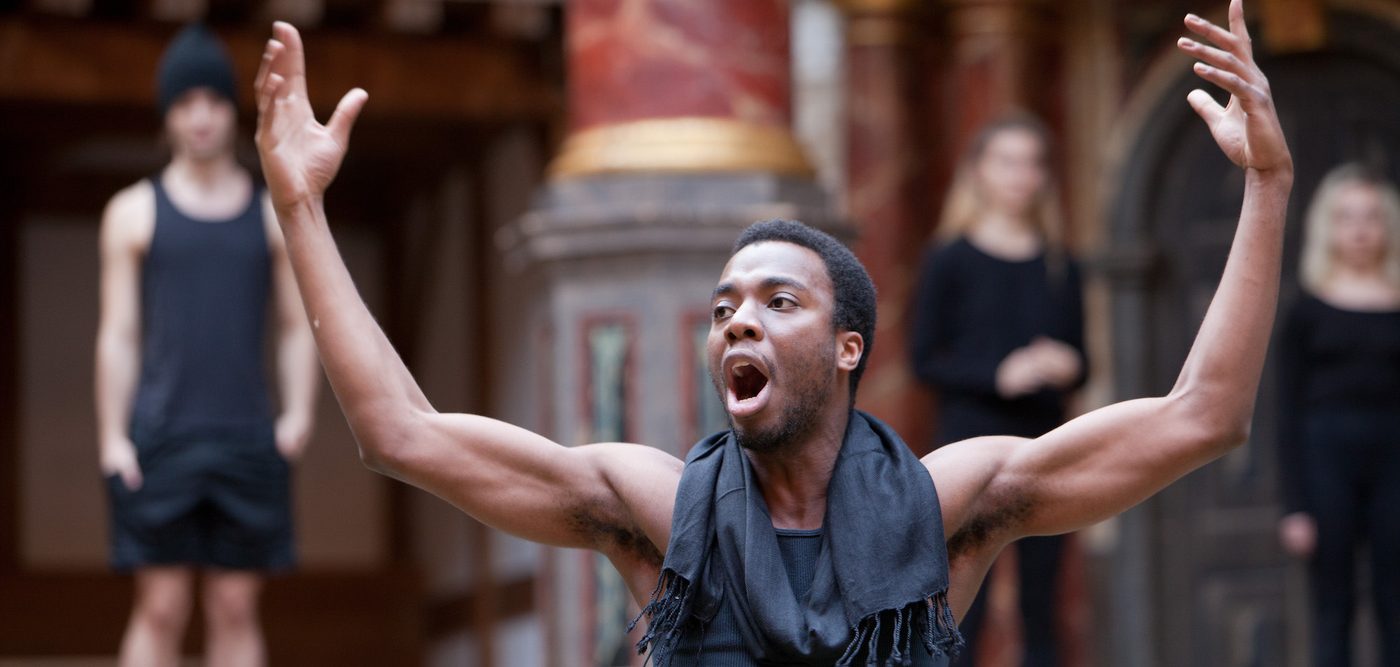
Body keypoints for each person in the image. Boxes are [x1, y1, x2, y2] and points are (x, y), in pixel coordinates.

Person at [253, 0, 1290, 662]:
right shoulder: (653, 508)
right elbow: (402, 433)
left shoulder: (949, 506)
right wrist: (300, 207)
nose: (737, 318)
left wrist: (1266, 186)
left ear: (848, 347)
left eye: (775, 302)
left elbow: (1201, 416)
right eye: (721, 308)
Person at [95, 24, 319, 667]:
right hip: (159, 437)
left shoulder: (269, 212)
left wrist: (297, 416)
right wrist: (113, 436)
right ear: (168, 113)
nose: (200, 117)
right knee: (160, 608)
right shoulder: (131, 212)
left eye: (214, 101)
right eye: (185, 102)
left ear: (234, 109)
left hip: (247, 437)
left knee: (235, 608)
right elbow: (118, 333)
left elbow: (294, 324)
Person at [909, 113, 1085, 667]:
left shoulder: (1061, 264)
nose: (1021, 175)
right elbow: (924, 360)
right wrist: (998, 375)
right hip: (968, 446)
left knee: (1042, 603)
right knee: (963, 606)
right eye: (1007, 161)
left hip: (1043, 448)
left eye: (1032, 163)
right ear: (979, 172)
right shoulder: (949, 258)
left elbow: (1084, 363)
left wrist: (1066, 363)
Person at [1274, 164, 1400, 667]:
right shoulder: (1306, 310)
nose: (1360, 228)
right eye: (1346, 216)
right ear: (1329, 227)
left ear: (1387, 224)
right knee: (1333, 607)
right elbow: (1286, 411)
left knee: (1396, 604)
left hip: (1394, 462)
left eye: (1371, 216)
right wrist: (1295, 506)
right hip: (1326, 462)